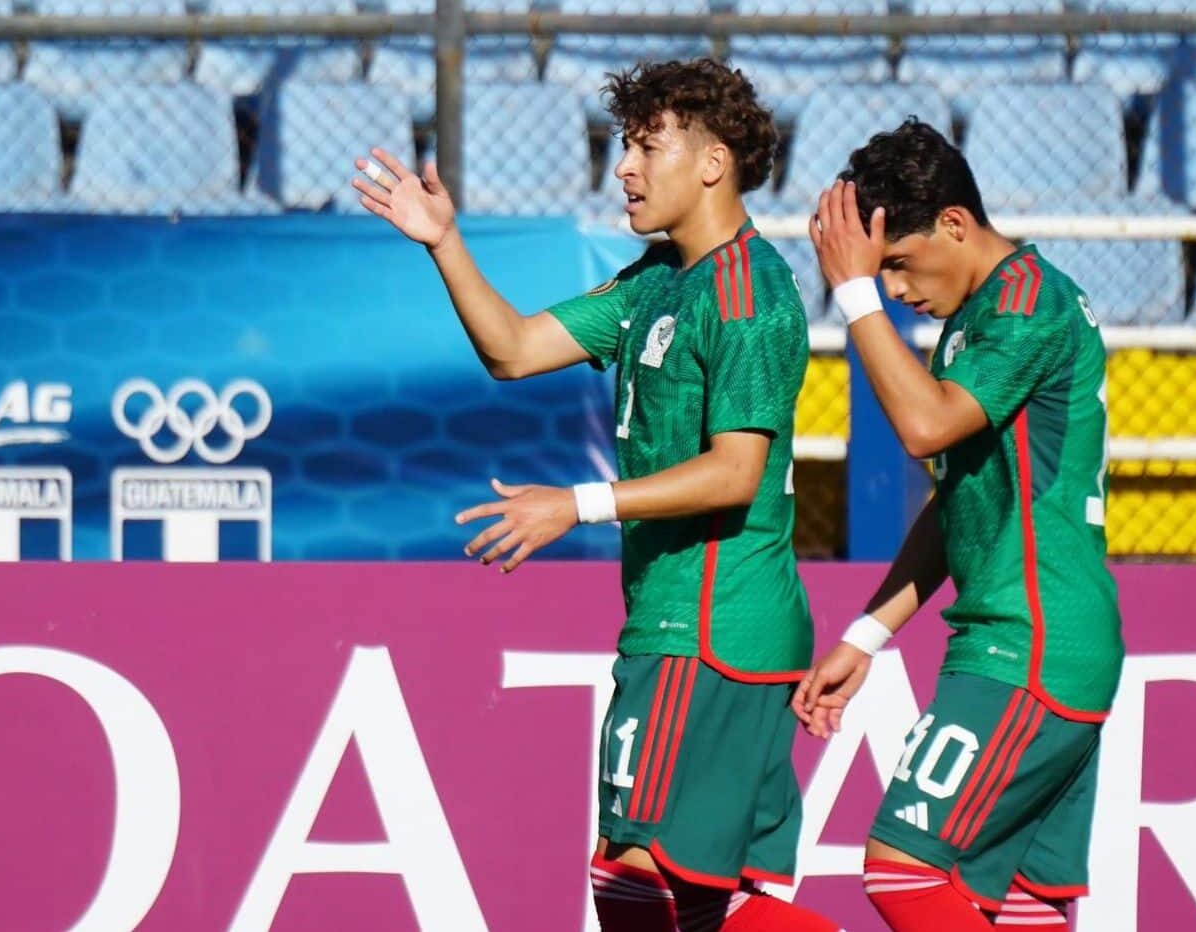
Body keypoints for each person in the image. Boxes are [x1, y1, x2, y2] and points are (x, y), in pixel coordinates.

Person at [353, 59, 841, 932]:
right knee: (721, 902)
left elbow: (736, 473)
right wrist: (445, 244)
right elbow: (512, 349)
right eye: (625, 146)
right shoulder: (656, 282)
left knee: (632, 878)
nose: (624, 168)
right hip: (710, 627)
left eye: (648, 148)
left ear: (712, 162)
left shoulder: (747, 295)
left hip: (705, 631)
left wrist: (573, 504)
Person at [793, 119, 1124, 932]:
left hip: (1029, 641)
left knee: (905, 869)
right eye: (884, 274)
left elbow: (925, 429)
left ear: (954, 224)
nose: (897, 289)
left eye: (899, 264)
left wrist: (854, 294)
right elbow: (960, 501)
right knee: (1021, 909)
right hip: (1042, 639)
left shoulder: (1025, 302)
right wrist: (868, 636)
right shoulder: (980, 319)